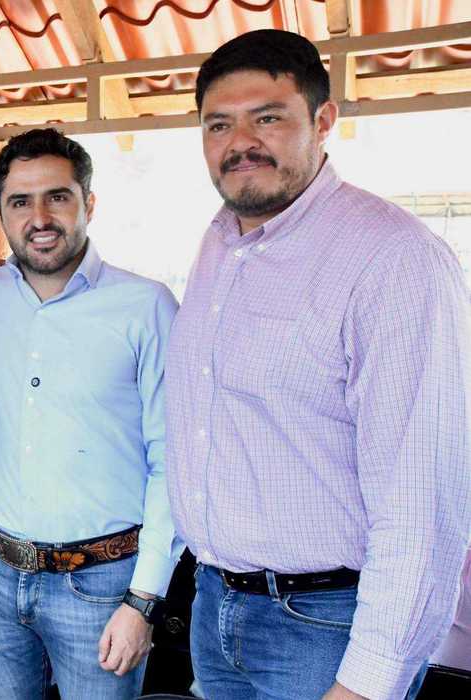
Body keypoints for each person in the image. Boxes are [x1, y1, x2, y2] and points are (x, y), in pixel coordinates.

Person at [166, 29, 471, 700]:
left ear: (323, 120)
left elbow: (421, 503)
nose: (239, 141)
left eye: (267, 117)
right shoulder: (219, 243)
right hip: (215, 607)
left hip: (324, 625)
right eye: (218, 124)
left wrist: (367, 684)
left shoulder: (392, 259)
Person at [0, 127, 182, 699]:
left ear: (89, 203)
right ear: (1, 213)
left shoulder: (146, 305)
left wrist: (144, 600)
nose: (39, 217)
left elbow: (173, 460)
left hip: (103, 585)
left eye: (57, 196)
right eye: (19, 201)